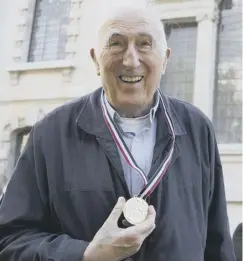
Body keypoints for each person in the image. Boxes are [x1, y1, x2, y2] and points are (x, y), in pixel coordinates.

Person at [0, 1, 236, 261]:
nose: (131, 59)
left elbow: (218, 243)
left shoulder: (197, 129)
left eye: (144, 44)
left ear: (165, 59)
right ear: (95, 60)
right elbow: (10, 240)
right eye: (116, 43)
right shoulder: (50, 135)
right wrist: (86, 255)